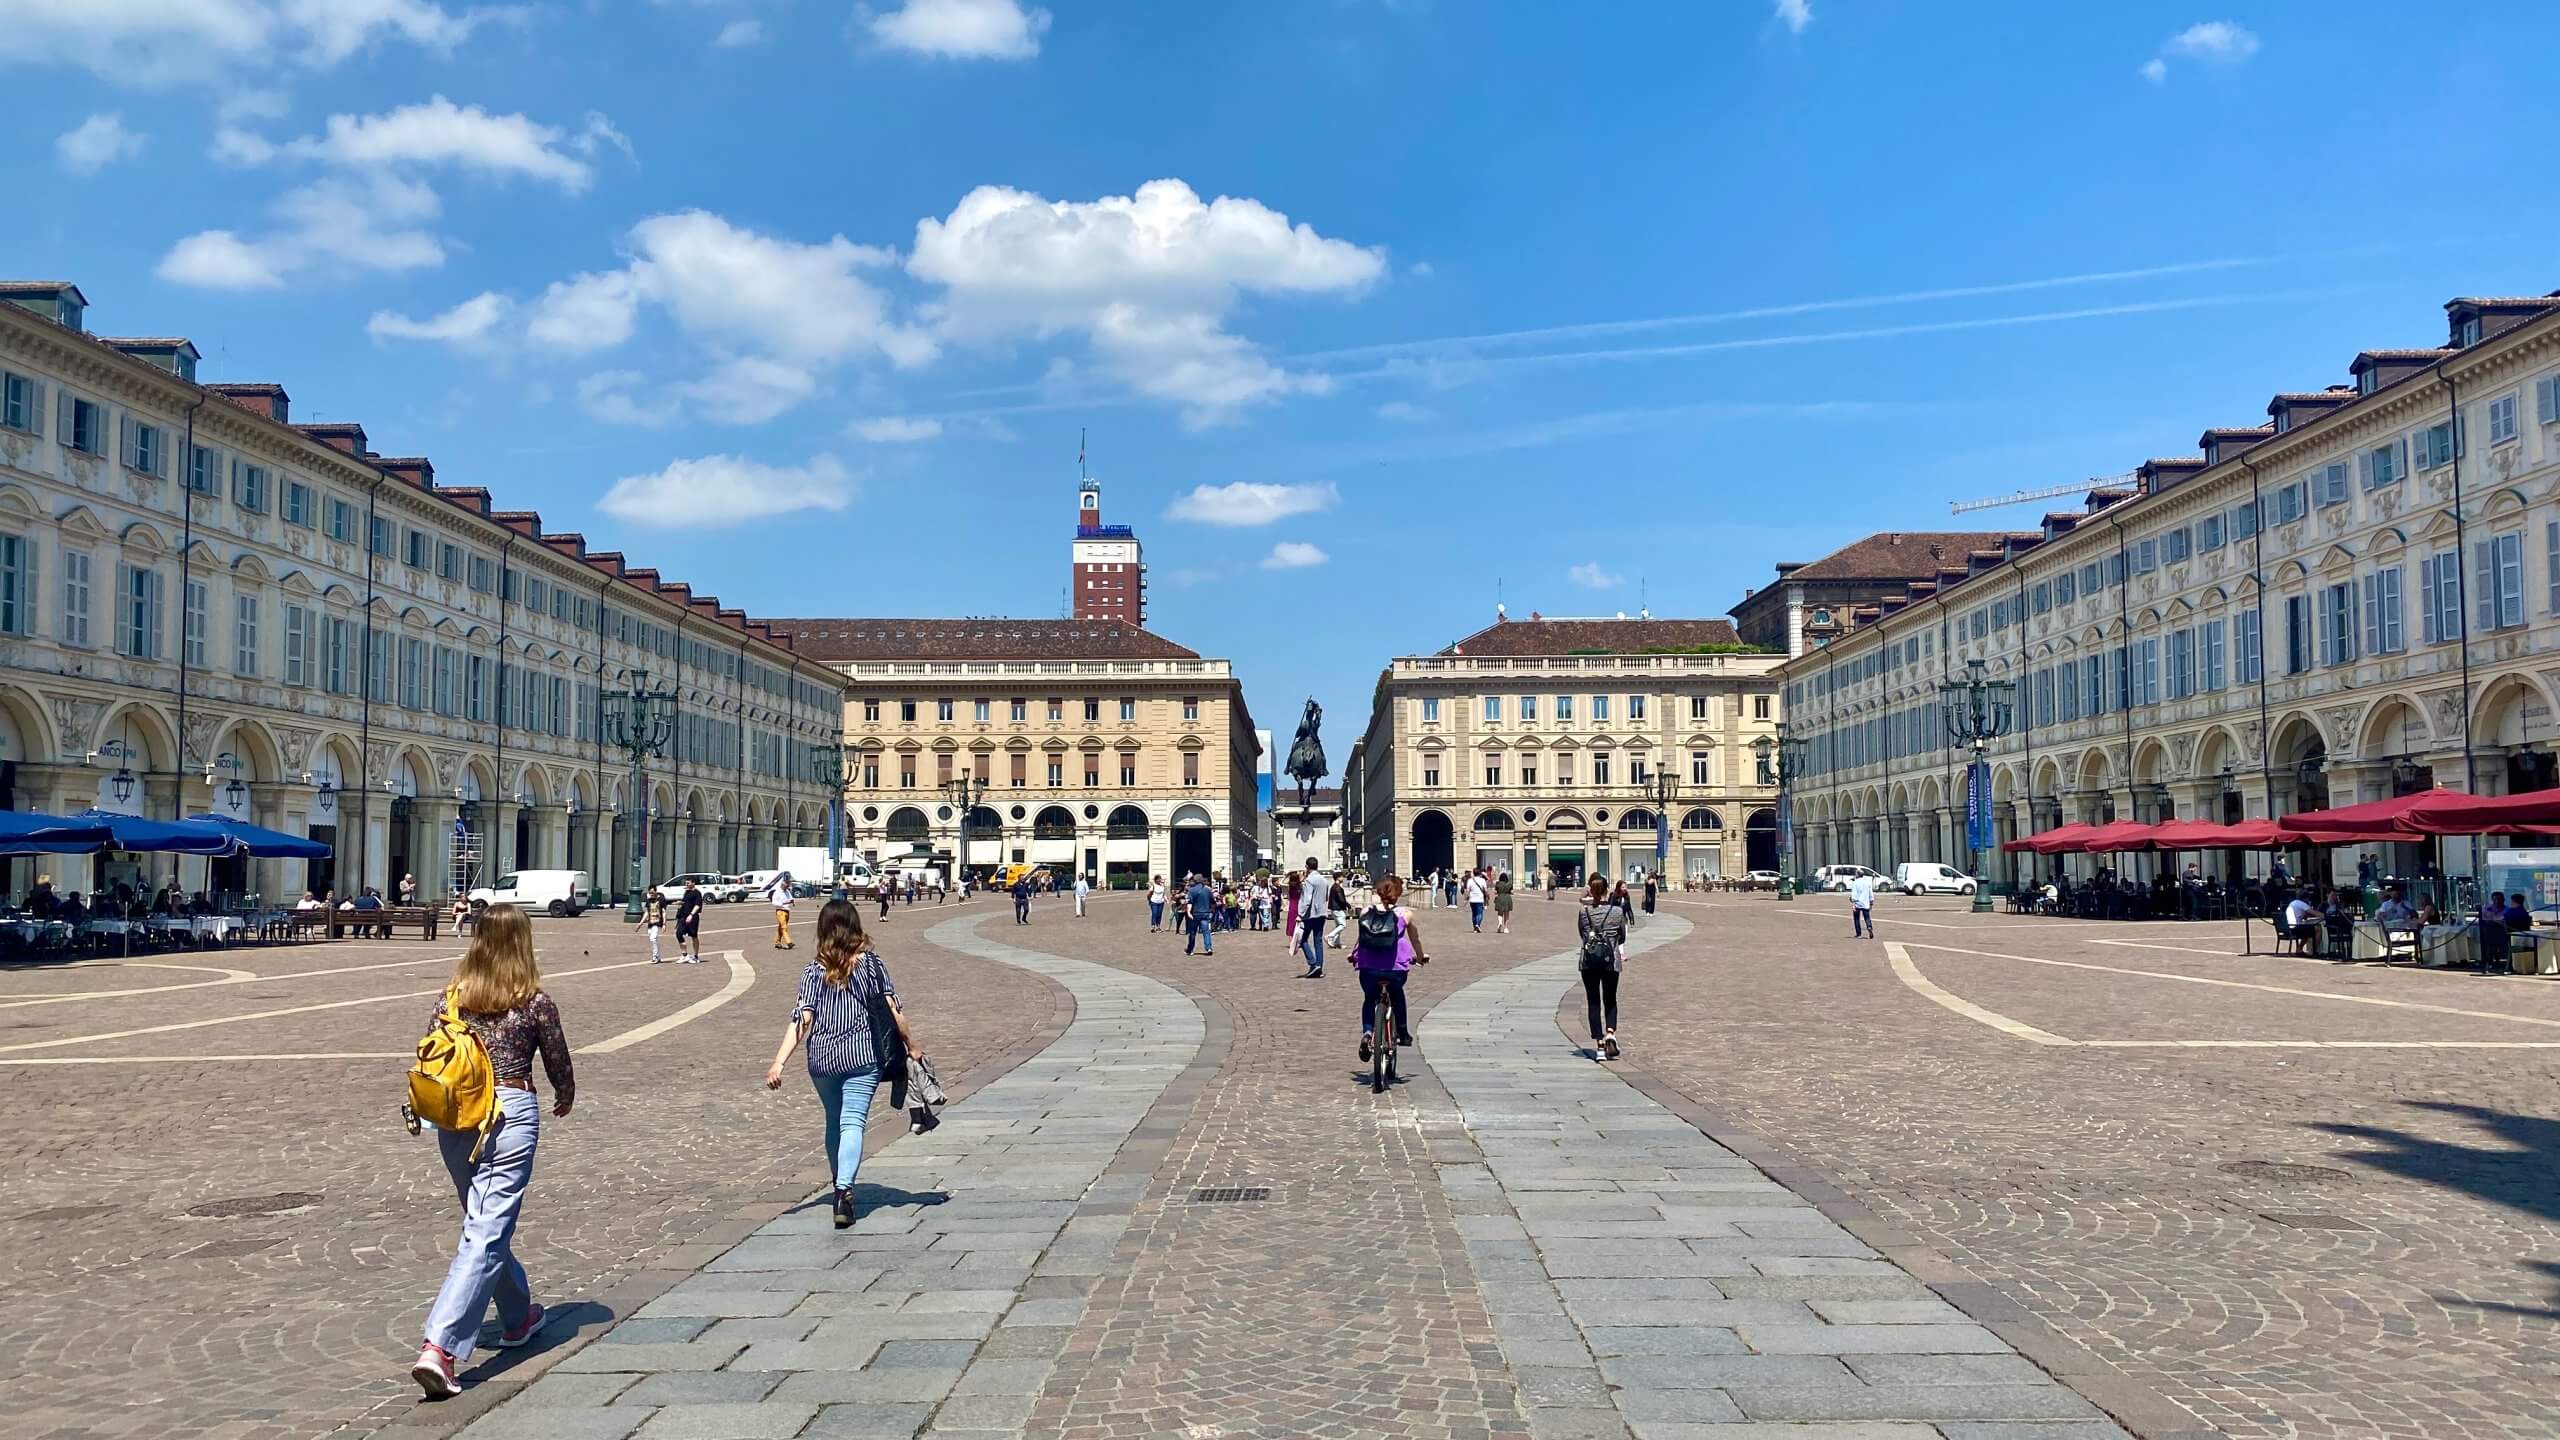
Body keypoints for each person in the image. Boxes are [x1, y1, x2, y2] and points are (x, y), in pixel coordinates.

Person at [409, 904, 572, 1399]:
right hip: (509, 1111)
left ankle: (518, 1315)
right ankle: (440, 1347)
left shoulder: (451, 998)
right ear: (523, 943)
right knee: (486, 1229)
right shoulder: (534, 1001)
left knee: (483, 1225)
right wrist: (565, 1093)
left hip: (456, 1114)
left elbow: (432, 1051)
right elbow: (557, 1058)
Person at [765, 900, 920, 1230]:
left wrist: (779, 1062)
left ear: (822, 929)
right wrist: (912, 1046)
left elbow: (801, 1020)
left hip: (822, 1059)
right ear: (855, 927)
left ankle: (840, 1181)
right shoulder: (871, 966)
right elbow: (894, 1011)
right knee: (852, 1123)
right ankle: (844, 1192)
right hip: (863, 1056)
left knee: (834, 1121)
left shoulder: (813, 971)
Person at [1354, 874, 1427, 1063]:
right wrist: (1420, 956)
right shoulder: (1405, 914)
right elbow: (1415, 940)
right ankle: (1402, 1032)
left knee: (1369, 999)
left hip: (1368, 968)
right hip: (1396, 969)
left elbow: (1361, 938)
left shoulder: (1365, 912)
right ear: (1398, 894)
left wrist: (1353, 954)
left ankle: (1368, 1033)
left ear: (1378, 892)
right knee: (1397, 994)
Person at [1577, 876, 1630, 1059]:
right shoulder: (1616, 912)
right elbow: (1622, 936)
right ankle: (1610, 1032)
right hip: (1610, 961)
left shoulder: (1584, 913)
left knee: (1593, 1001)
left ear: (1591, 891)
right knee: (1610, 999)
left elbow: (1582, 935)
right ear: (1607, 890)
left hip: (1589, 962)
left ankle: (1599, 1045)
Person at [1298, 858, 1334, 979]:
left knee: (1302, 940)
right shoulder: (1324, 880)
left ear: (1307, 867)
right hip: (1321, 913)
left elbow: (1307, 899)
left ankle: (1313, 963)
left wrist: (1300, 914)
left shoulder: (1309, 880)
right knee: (1318, 941)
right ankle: (1319, 965)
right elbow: (1325, 897)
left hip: (1311, 914)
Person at [1184, 873, 1217, 956]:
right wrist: (1212, 910)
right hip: (1205, 913)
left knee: (1192, 932)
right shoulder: (1207, 889)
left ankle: (1190, 949)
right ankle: (1208, 947)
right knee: (1206, 931)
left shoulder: (1191, 890)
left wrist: (1188, 912)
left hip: (1195, 913)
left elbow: (1189, 902)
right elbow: (1213, 901)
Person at [674, 878, 705, 963]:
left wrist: (691, 915)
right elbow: (685, 902)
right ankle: (685, 955)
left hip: (692, 917)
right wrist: (680, 903)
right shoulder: (686, 892)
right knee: (678, 933)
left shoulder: (697, 893)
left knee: (694, 936)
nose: (686, 884)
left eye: (688, 883)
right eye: (686, 883)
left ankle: (695, 955)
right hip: (683, 917)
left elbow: (697, 905)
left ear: (693, 883)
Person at [767, 869, 798, 950]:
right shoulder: (777, 892)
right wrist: (784, 903)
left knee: (781, 927)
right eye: (787, 885)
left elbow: (790, 898)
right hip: (780, 911)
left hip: (787, 910)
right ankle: (789, 942)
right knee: (784, 927)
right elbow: (774, 903)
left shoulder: (787, 891)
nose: (788, 886)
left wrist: (792, 901)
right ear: (783, 885)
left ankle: (777, 942)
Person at [1847, 870, 1877, 938]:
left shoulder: (1855, 882)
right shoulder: (1867, 882)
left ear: (1858, 875)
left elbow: (1854, 893)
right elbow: (1870, 893)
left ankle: (1858, 933)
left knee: (1856, 918)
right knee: (1867, 917)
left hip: (1857, 903)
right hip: (1865, 903)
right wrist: (1871, 901)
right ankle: (1869, 927)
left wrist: (1852, 900)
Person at [641, 887, 668, 962]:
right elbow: (647, 912)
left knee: (653, 938)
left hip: (658, 922)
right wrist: (641, 923)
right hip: (650, 922)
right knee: (653, 939)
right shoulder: (648, 900)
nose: (651, 894)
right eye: (650, 893)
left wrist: (664, 924)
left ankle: (655, 956)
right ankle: (658, 957)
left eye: (652, 893)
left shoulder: (661, 899)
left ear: (656, 891)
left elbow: (663, 912)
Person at [1464, 868, 1488, 933]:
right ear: (1480, 873)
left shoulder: (1470, 880)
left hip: (1472, 899)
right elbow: (1485, 890)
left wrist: (1466, 899)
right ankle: (1477, 924)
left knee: (1474, 913)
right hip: (1480, 899)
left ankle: (1475, 927)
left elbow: (1468, 891)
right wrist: (1487, 896)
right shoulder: (1482, 880)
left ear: (1474, 873)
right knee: (1480, 913)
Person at [1493, 869, 1515, 934]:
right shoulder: (1509, 884)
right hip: (1507, 898)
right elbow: (1512, 892)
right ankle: (1505, 927)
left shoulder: (1498, 883)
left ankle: (1500, 923)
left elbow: (1495, 892)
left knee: (1500, 913)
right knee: (1506, 913)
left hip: (1500, 898)